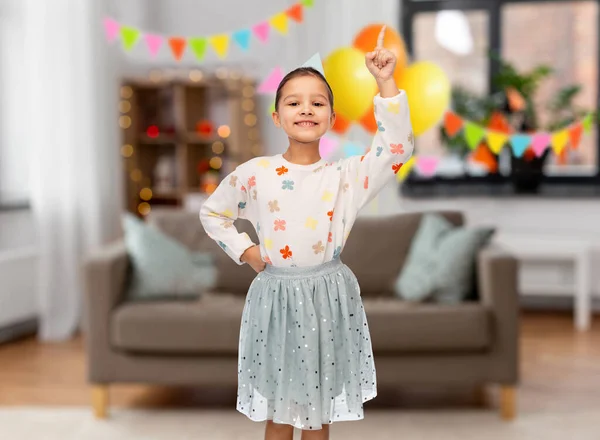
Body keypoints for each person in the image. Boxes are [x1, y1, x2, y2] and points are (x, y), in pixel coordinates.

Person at [200, 25, 413, 440]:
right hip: (275, 299)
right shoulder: (256, 174)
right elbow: (213, 213)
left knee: (318, 412)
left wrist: (385, 81)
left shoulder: (346, 175)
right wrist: (248, 252)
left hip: (328, 299)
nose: (306, 109)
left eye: (318, 103)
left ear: (332, 118)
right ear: (277, 116)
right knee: (279, 412)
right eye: (294, 102)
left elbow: (397, 149)